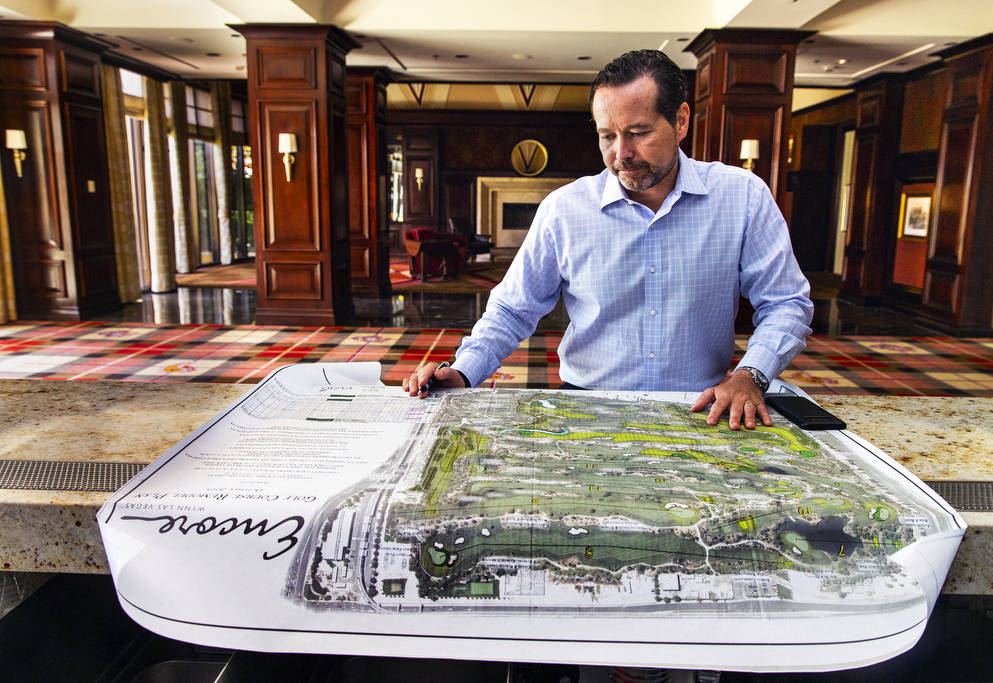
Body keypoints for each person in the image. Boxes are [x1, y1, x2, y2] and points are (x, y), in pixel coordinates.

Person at [403, 49, 812, 431]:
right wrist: (463, 370)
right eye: (607, 136)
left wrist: (750, 374)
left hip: (701, 409)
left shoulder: (742, 196)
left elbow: (786, 303)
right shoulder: (564, 209)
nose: (621, 154)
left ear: (681, 120)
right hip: (585, 408)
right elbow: (513, 309)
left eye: (638, 132)